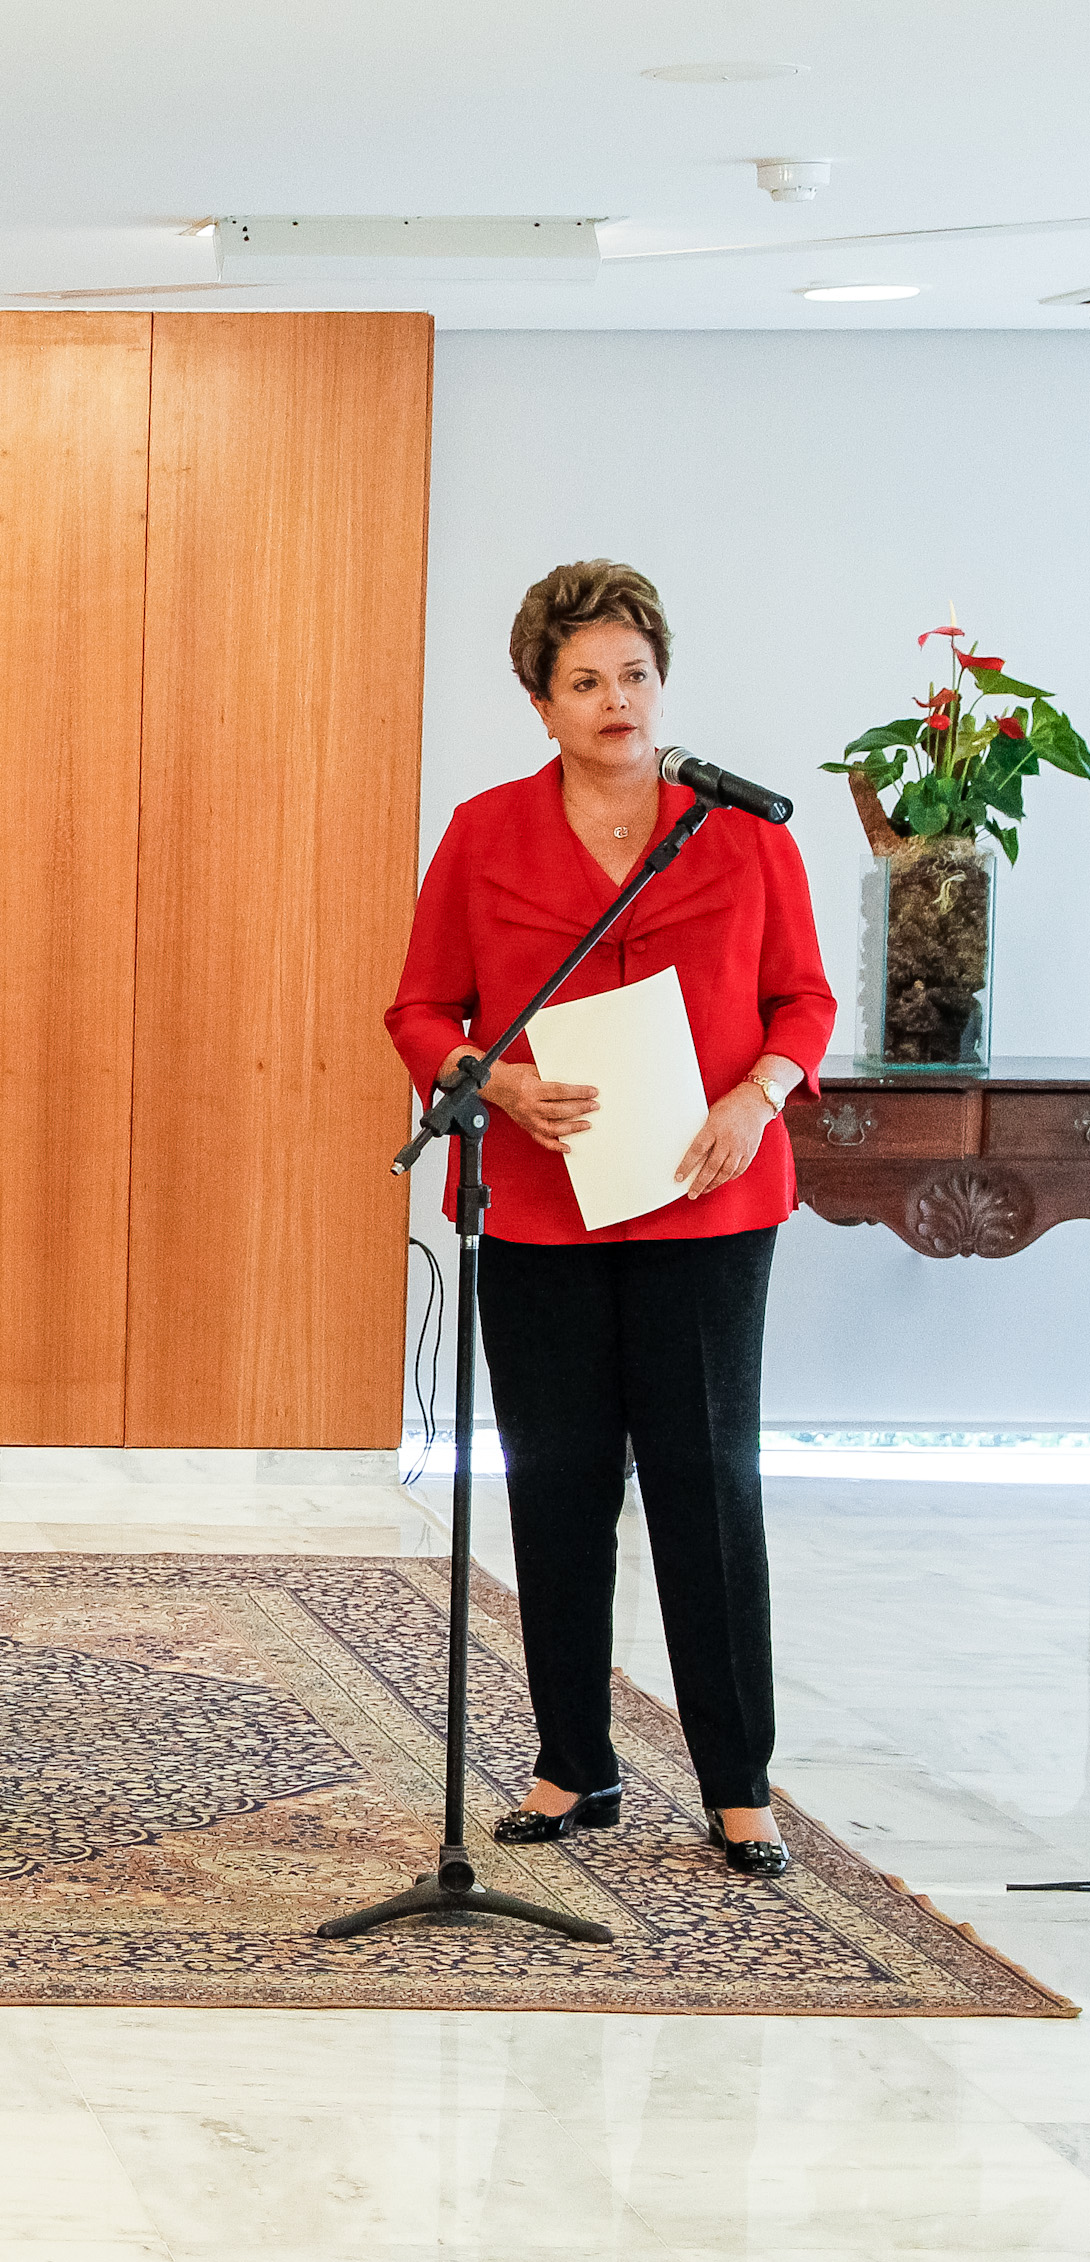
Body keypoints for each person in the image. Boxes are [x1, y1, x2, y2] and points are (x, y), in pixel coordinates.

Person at [386, 558, 834, 1879]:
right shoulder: (482, 834)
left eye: (632, 674)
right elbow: (420, 1010)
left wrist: (756, 1097)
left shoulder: (738, 830)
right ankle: (569, 1762)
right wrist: (494, 1082)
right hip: (538, 1211)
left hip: (706, 1204)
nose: (613, 700)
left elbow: (802, 1001)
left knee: (705, 1488)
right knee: (559, 1489)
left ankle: (736, 1781)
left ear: (660, 682)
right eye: (583, 680)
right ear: (539, 702)